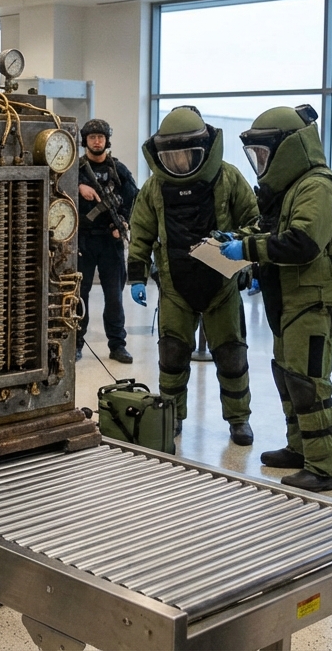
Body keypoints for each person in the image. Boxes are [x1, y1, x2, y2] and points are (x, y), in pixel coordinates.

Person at [220, 105, 332, 491]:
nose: (260, 163)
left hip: (314, 302)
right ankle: (300, 449)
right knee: (288, 376)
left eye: (265, 153)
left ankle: (324, 465)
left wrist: (247, 248)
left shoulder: (317, 185)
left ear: (290, 148)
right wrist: (249, 252)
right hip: (293, 300)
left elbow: (302, 243)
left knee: (308, 383)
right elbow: (275, 234)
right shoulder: (293, 189)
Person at [127, 106, 258, 444]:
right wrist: (137, 275)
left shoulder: (228, 178)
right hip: (174, 286)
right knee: (171, 356)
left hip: (222, 285)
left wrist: (244, 251)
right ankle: (172, 416)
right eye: (172, 156)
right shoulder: (154, 187)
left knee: (232, 356)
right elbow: (140, 230)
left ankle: (238, 420)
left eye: (188, 155)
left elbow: (256, 222)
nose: (180, 163)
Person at [76, 118, 138, 364]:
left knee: (114, 296)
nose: (97, 141)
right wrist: (78, 185)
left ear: (107, 140)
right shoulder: (75, 170)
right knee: (79, 295)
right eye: (92, 137)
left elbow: (134, 200)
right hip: (83, 241)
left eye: (101, 137)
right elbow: (57, 192)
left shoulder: (119, 170)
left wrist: (122, 223)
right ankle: (77, 343)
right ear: (85, 141)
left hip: (110, 242)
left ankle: (117, 345)